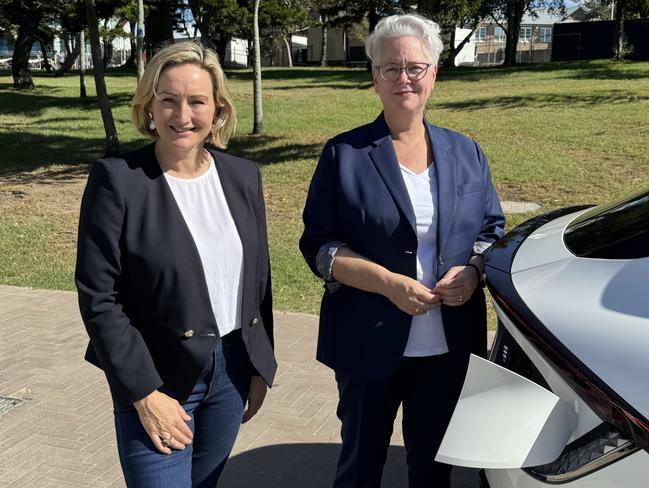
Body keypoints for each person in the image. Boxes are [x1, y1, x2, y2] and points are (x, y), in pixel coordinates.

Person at [299, 14, 505, 488]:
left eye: (415, 67)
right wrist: (387, 284)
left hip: (447, 347)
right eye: (390, 68)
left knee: (433, 471)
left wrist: (473, 272)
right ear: (374, 77)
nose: (404, 78)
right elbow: (319, 245)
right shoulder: (344, 155)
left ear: (434, 73)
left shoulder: (467, 152)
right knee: (360, 468)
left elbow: (492, 230)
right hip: (367, 343)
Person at [75, 41, 276, 487]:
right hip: (157, 377)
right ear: (149, 106)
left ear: (218, 109)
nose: (182, 116)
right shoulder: (118, 181)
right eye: (168, 100)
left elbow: (257, 280)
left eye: (197, 101)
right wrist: (144, 394)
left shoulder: (243, 176)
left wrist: (260, 364)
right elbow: (98, 297)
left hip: (231, 371)